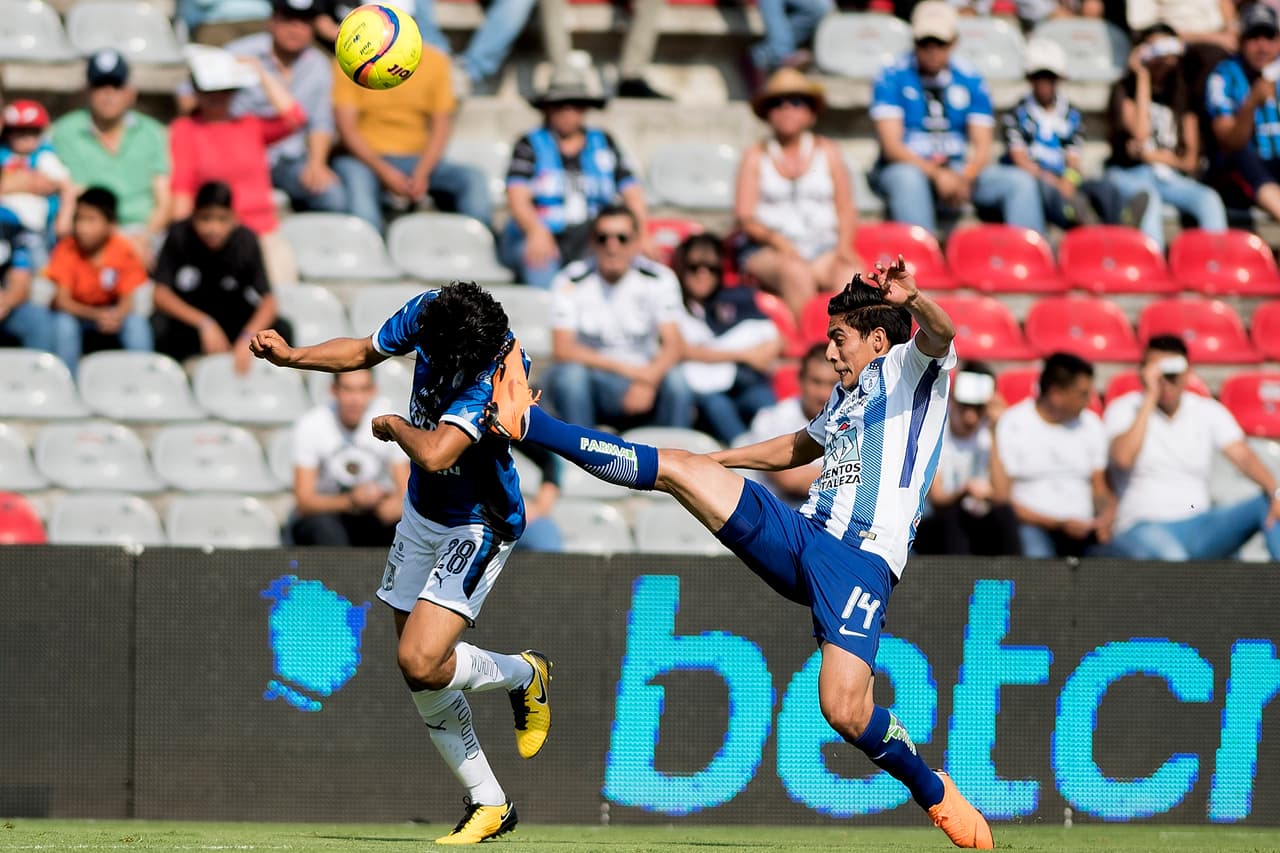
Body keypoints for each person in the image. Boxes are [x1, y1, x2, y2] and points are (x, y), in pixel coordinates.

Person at [486, 257, 994, 850]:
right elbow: (795, 447)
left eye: (839, 339)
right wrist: (714, 462)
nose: (830, 353)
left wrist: (913, 298)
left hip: (860, 562)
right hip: (802, 535)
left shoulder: (912, 370)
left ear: (877, 339)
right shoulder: (848, 395)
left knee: (845, 709)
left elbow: (943, 332)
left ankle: (933, 791)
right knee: (676, 468)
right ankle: (531, 425)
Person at [249, 280, 553, 844]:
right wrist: (293, 357)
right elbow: (364, 350)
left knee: (419, 660)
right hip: (421, 513)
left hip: (478, 521)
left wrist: (392, 426)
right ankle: (489, 800)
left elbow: (437, 453)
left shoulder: (495, 373)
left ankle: (522, 673)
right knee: (421, 669)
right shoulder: (433, 310)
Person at [869, 1, 1043, 236]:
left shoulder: (971, 78)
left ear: (954, 42)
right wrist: (937, 174)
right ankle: (921, 265)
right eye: (924, 42)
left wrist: (966, 176)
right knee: (907, 179)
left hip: (959, 169)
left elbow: (983, 147)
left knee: (1019, 183)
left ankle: (1030, 260)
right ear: (913, 42)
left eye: (939, 42)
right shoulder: (891, 76)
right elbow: (892, 148)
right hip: (908, 167)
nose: (932, 49)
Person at [1099, 335, 1280, 560]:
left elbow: (1244, 457)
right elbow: (1123, 458)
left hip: (1200, 524)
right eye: (1158, 371)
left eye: (1172, 372)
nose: (1166, 380)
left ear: (1187, 372)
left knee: (1270, 504)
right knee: (1175, 559)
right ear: (1144, 372)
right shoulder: (1125, 408)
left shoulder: (1207, 410)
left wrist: (1275, 492)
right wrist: (1150, 398)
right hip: (1142, 526)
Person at [331, 0, 491, 235]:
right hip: (364, 159)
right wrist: (384, 171)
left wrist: (422, 172)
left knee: (473, 179)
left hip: (416, 159)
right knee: (359, 193)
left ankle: (477, 255)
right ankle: (371, 263)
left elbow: (441, 126)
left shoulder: (436, 61)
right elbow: (347, 130)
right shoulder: (347, 63)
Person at [499, 60, 652, 289]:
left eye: (576, 105)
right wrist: (535, 230)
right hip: (543, 232)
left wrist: (641, 232)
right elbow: (517, 196)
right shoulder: (529, 144)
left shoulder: (604, 142)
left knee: (628, 259)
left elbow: (632, 192)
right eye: (561, 105)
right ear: (548, 108)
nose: (568, 112)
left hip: (593, 236)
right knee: (539, 263)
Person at [546, 204, 693, 430]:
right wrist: (633, 373)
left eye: (622, 238)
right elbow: (563, 348)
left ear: (636, 242)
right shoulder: (570, 280)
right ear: (592, 242)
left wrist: (648, 380)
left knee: (678, 382)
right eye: (603, 238)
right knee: (570, 376)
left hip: (646, 380)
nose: (612, 247)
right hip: (596, 381)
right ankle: (576, 457)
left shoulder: (659, 278)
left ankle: (674, 458)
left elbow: (674, 345)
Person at [170, 45, 304, 283]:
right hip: (215, 238)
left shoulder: (250, 125)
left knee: (282, 294)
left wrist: (260, 72)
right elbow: (182, 191)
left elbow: (294, 118)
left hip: (262, 233)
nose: (217, 98)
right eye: (209, 91)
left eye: (225, 90)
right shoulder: (185, 130)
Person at [735, 68, 861, 320]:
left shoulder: (828, 151)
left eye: (796, 102)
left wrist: (843, 247)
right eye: (777, 103)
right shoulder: (755, 155)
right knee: (795, 272)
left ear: (810, 113)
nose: (786, 109)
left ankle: (848, 349)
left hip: (822, 245)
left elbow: (845, 206)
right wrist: (779, 243)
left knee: (851, 276)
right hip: (768, 249)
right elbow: (745, 218)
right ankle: (811, 343)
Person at [1106, 24, 1227, 248]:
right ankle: (1154, 271)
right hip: (1129, 174)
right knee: (1147, 199)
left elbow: (1189, 161)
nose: (1162, 56)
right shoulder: (1124, 89)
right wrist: (1142, 77)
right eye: (1154, 48)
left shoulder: (1183, 94)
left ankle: (1216, 265)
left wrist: (1153, 156)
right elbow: (1141, 135)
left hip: (1170, 178)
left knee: (1209, 199)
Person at [221, 0, 346, 214]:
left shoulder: (319, 64)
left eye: (304, 21)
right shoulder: (238, 53)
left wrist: (317, 163)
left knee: (332, 196)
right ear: (272, 21)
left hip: (289, 157)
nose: (295, 28)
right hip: (238, 153)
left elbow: (314, 120)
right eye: (288, 19)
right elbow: (194, 100)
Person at [151, 181, 291, 372]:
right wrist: (204, 323)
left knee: (281, 328)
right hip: (190, 321)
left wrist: (247, 337)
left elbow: (268, 300)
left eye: (221, 219)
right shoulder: (179, 235)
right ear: (194, 216)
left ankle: (273, 378)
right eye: (206, 219)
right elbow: (160, 294)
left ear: (233, 218)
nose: (213, 228)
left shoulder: (246, 241)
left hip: (232, 316)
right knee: (159, 326)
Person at [51, 50, 172, 263]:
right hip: (88, 232)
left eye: (116, 86)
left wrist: (146, 237)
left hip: (144, 234)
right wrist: (118, 241)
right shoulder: (64, 132)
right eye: (100, 86)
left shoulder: (153, 132)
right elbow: (71, 192)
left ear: (130, 92)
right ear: (87, 91)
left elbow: (163, 201)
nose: (108, 94)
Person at [991, 352, 1114, 558]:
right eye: (1082, 393)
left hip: (1085, 532)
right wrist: (1057, 524)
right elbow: (1004, 498)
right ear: (1056, 393)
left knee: (1121, 558)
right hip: (1032, 527)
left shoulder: (1092, 424)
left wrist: (1105, 518)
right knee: (1038, 558)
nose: (1090, 400)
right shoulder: (1013, 423)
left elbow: (1100, 487)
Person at [1001, 41, 1134, 230]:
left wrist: (1068, 180)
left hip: (1066, 180)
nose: (1045, 83)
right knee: (1043, 189)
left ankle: (1124, 224)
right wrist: (1054, 182)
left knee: (1104, 187)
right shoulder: (1016, 113)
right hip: (1036, 180)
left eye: (1050, 77)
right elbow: (1020, 159)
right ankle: (1078, 218)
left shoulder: (1072, 114)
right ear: (1030, 78)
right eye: (1039, 76)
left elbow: (1073, 158)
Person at [673, 232, 780, 444]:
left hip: (745, 384)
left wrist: (760, 354)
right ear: (682, 268)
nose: (702, 274)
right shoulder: (670, 302)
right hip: (704, 392)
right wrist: (743, 355)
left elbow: (776, 339)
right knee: (717, 405)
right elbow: (679, 349)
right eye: (694, 267)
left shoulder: (737, 298)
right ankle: (750, 462)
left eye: (711, 268)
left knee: (763, 400)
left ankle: (781, 462)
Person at [289, 369, 410, 547]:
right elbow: (304, 502)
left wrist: (394, 506)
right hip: (327, 516)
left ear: (373, 391)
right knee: (324, 528)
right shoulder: (311, 425)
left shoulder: (389, 424)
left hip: (374, 515)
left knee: (403, 527)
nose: (355, 399)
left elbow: (406, 492)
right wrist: (352, 502)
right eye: (348, 389)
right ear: (333, 390)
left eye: (362, 390)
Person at [913, 363, 1021, 556]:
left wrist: (996, 431)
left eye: (979, 409)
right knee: (954, 518)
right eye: (965, 407)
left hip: (978, 518)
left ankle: (1012, 582)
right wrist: (965, 491)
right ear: (953, 400)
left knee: (1005, 518)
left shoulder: (994, 433)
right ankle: (958, 585)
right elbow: (938, 499)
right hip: (935, 522)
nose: (971, 418)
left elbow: (1003, 496)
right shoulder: (934, 427)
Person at [48, 188, 153, 375]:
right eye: (78, 219)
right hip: (79, 316)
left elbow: (127, 299)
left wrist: (116, 316)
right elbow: (62, 302)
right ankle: (67, 381)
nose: (82, 227)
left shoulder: (122, 249)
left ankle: (142, 378)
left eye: (91, 220)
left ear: (111, 224)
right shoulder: (67, 249)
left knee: (136, 324)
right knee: (64, 325)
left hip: (110, 316)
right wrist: (96, 315)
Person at [1206, 4, 1280, 222]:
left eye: (1269, 37)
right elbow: (1229, 142)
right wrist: (1251, 103)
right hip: (1238, 174)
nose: (1262, 46)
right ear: (1241, 41)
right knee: (1243, 156)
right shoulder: (1223, 75)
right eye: (1254, 37)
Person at [740, 342, 837, 507]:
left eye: (831, 384)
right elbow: (790, 480)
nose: (823, 393)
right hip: (780, 520)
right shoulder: (771, 418)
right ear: (801, 380)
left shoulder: (853, 420)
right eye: (816, 382)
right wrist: (851, 476)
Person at [0, 100, 75, 253]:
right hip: (5, 220)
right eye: (17, 132)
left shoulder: (44, 157)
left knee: (36, 262)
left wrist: (64, 218)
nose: (24, 138)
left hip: (35, 226)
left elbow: (66, 186)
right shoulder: (3, 153)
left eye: (31, 132)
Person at [0, 215, 53, 353]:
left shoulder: (8, 221)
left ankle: (42, 373)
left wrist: (6, 302)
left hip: (6, 308)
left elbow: (21, 276)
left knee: (37, 319)